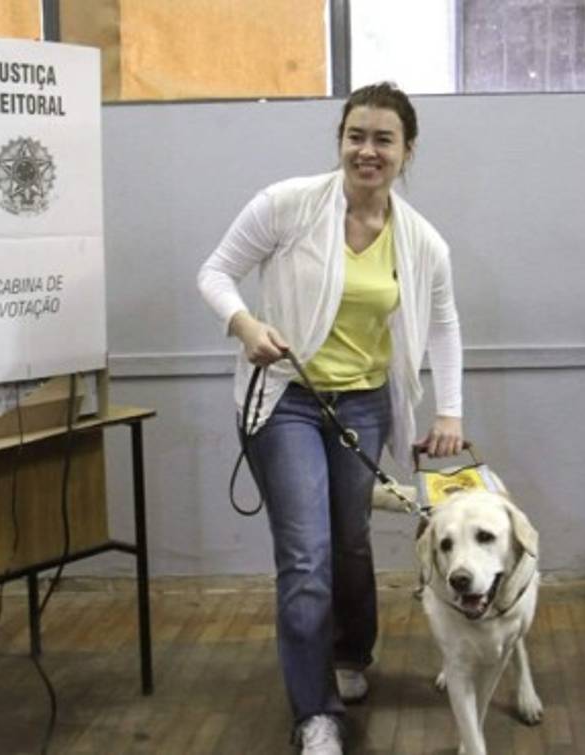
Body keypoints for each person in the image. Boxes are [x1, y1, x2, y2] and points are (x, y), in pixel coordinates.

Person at [197, 82, 464, 755]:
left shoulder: (421, 240)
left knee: (350, 539)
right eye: (356, 136)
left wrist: (450, 409)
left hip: (366, 402)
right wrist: (245, 323)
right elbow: (216, 272)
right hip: (286, 397)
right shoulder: (288, 205)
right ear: (340, 139)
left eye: (383, 139)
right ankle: (314, 712)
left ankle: (351, 653)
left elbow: (442, 322)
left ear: (407, 151)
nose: (366, 151)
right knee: (307, 556)